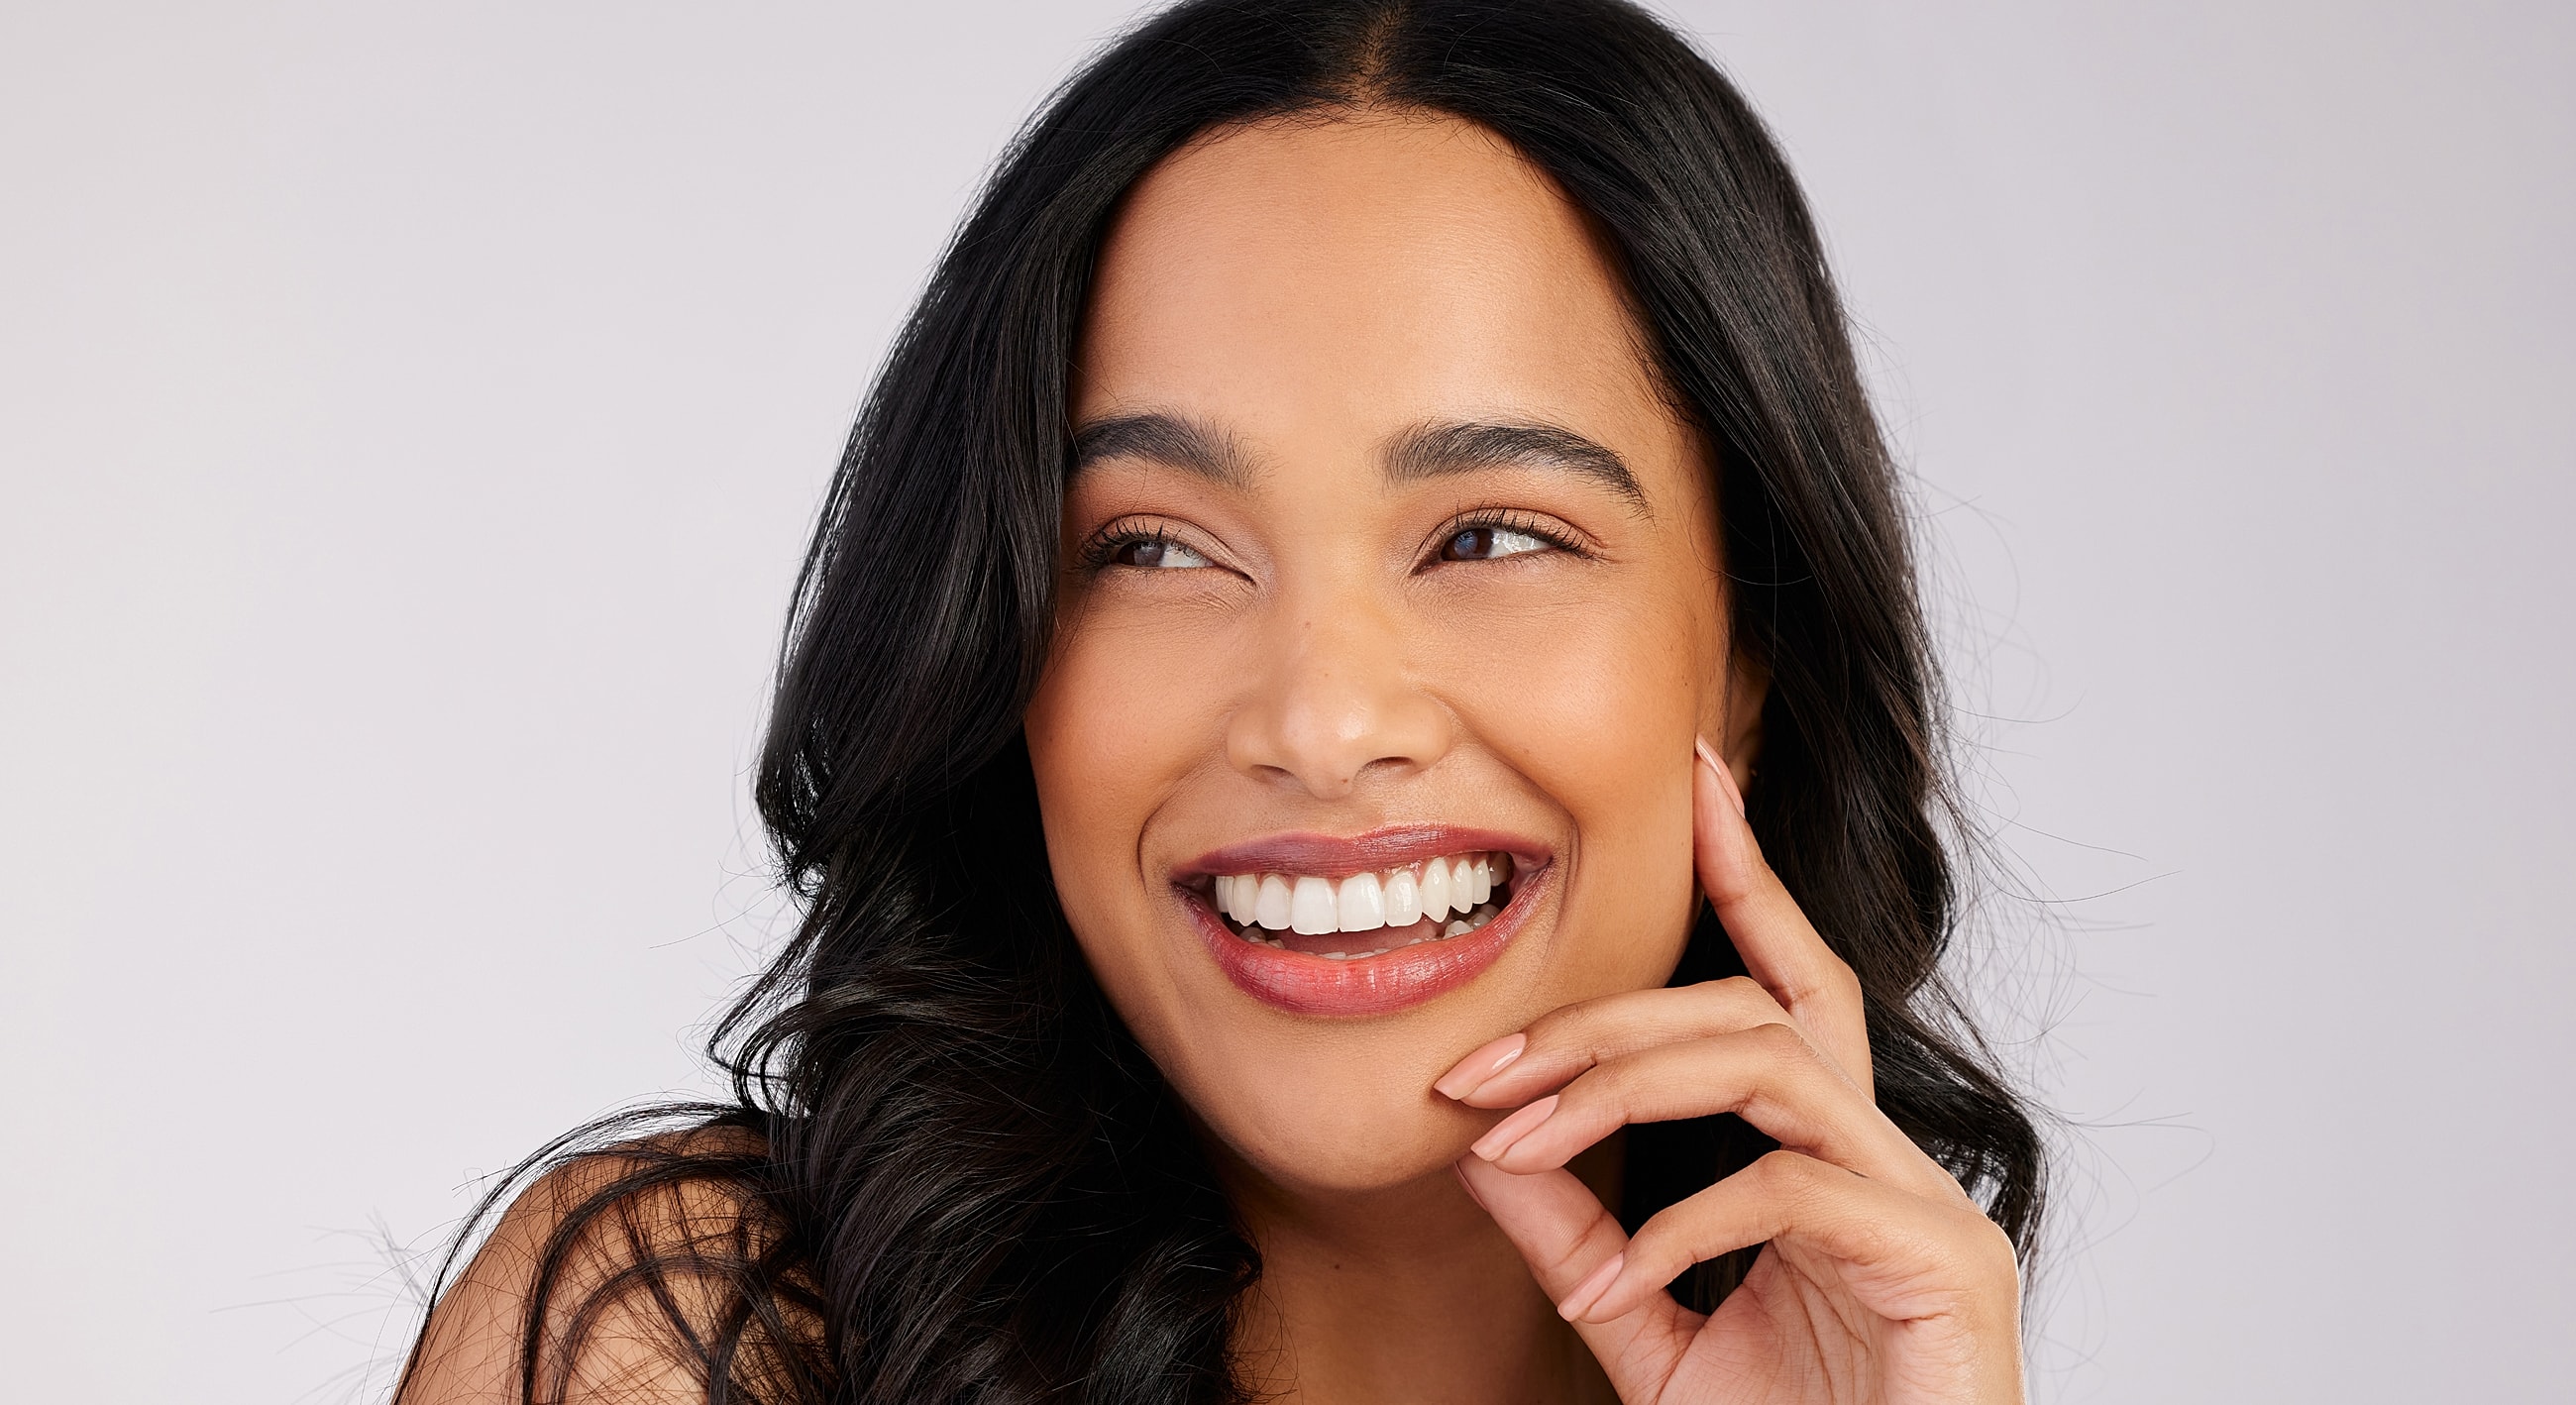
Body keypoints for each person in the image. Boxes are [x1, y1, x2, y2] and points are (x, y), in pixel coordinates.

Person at [393, 1, 2044, 1401]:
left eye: (1488, 534)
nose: (1321, 722)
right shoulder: (684, 1345)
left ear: (1753, 660)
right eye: (1159, 548)